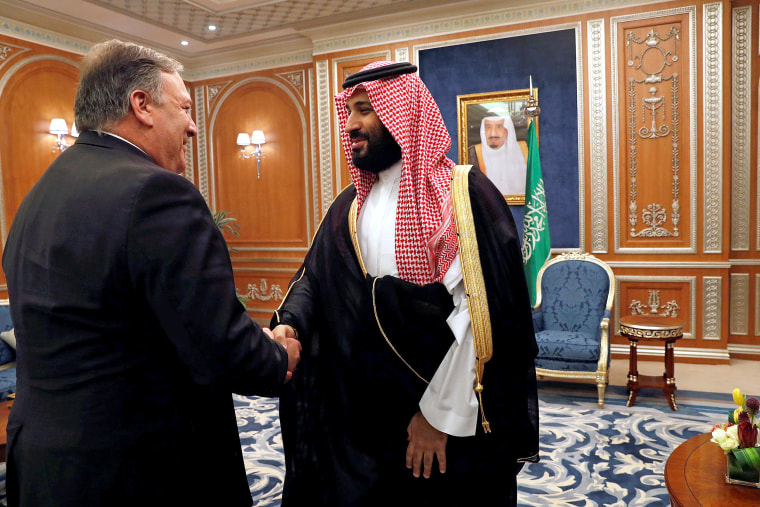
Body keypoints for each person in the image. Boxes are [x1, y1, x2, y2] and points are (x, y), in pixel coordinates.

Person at [1, 39, 300, 507]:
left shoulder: (40, 193)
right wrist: (279, 358)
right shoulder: (157, 193)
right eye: (183, 107)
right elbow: (218, 345)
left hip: (47, 468)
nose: (194, 126)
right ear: (141, 105)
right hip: (142, 472)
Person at [271, 61, 539, 506]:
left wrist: (438, 416)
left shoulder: (463, 194)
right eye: (348, 112)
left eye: (365, 110)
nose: (351, 124)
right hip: (365, 411)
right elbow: (314, 278)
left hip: (437, 409)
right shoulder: (350, 205)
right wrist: (291, 324)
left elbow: (480, 314)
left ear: (403, 114)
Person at [467, 114, 527, 195]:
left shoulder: (524, 150)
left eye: (499, 127)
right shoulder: (473, 153)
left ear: (507, 131)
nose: (493, 133)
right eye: (488, 127)